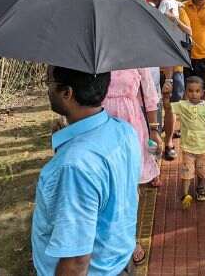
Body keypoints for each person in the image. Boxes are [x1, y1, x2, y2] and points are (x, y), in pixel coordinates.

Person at [31, 66, 140, 275]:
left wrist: (70, 153)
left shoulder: (74, 166)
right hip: (120, 262)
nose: (47, 90)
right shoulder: (123, 131)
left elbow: (76, 260)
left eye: (49, 83)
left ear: (67, 93)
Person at [99, 67, 160, 264]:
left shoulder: (135, 53)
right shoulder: (95, 53)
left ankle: (129, 238)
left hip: (131, 127)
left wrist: (154, 131)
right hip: (99, 126)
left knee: (129, 188)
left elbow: (150, 95)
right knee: (104, 185)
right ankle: (104, 238)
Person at [149, 0, 191, 161]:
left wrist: (175, 21)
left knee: (169, 106)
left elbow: (188, 32)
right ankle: (156, 144)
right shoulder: (154, 12)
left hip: (174, 68)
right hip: (155, 67)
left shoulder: (178, 10)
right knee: (156, 106)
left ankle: (168, 144)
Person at [172, 76, 205, 207]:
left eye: (197, 91)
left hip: (203, 148)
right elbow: (168, 108)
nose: (193, 94)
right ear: (185, 92)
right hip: (187, 148)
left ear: (202, 92)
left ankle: (200, 188)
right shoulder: (182, 105)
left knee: (202, 170)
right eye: (190, 91)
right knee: (186, 171)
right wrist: (166, 97)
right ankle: (185, 194)